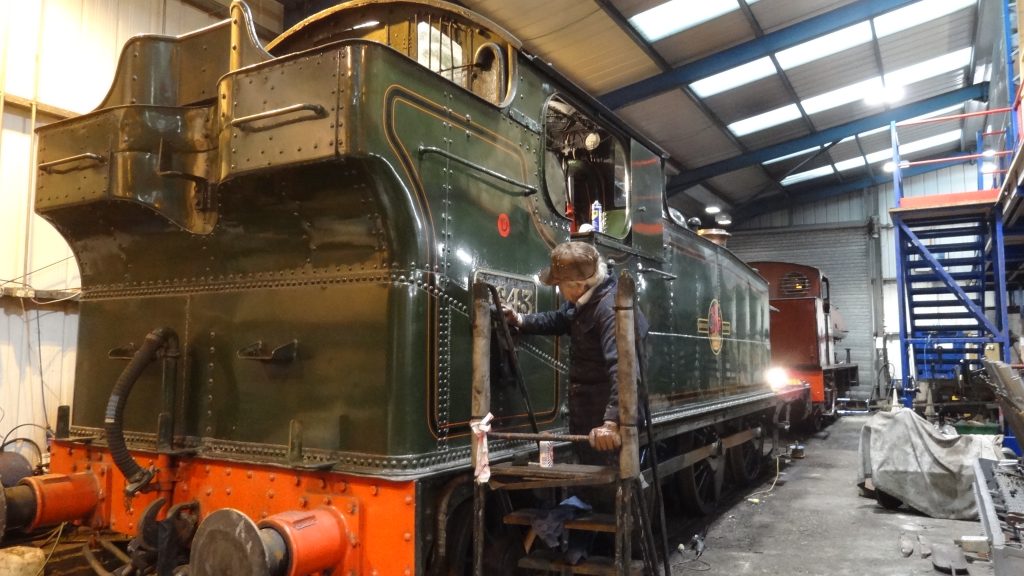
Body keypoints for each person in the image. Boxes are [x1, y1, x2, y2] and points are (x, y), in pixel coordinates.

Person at [504, 241, 648, 464]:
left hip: (604, 422)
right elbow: (561, 319)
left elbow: (624, 371)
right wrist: (520, 319)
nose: (558, 289)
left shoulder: (609, 309)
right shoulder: (588, 299)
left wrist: (611, 423)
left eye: (559, 284)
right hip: (588, 415)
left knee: (606, 488)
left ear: (577, 285)